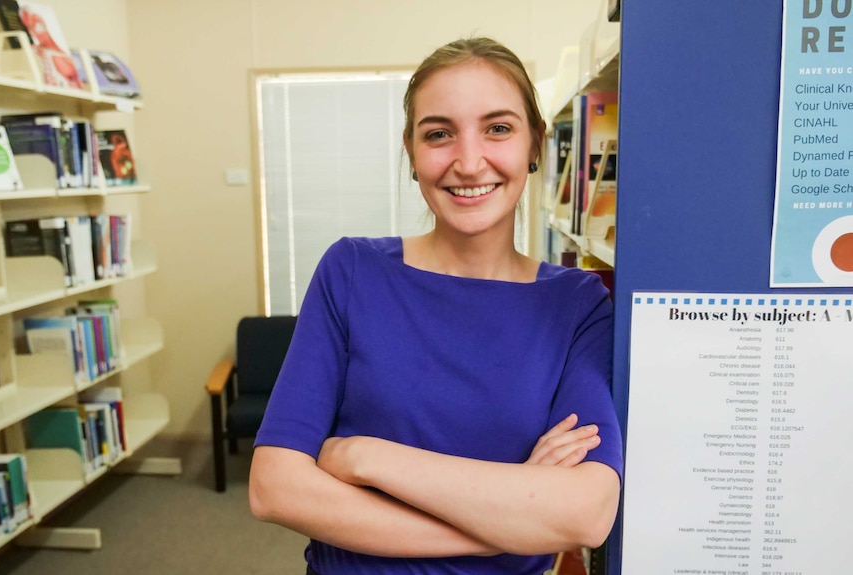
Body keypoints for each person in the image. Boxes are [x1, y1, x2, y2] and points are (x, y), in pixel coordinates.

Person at [249, 37, 623, 575]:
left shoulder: (577, 303)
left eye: (498, 128)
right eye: (439, 134)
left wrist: (365, 458)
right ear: (411, 150)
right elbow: (274, 489)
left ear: (535, 144)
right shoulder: (352, 271)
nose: (469, 163)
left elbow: (586, 513)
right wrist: (506, 523)